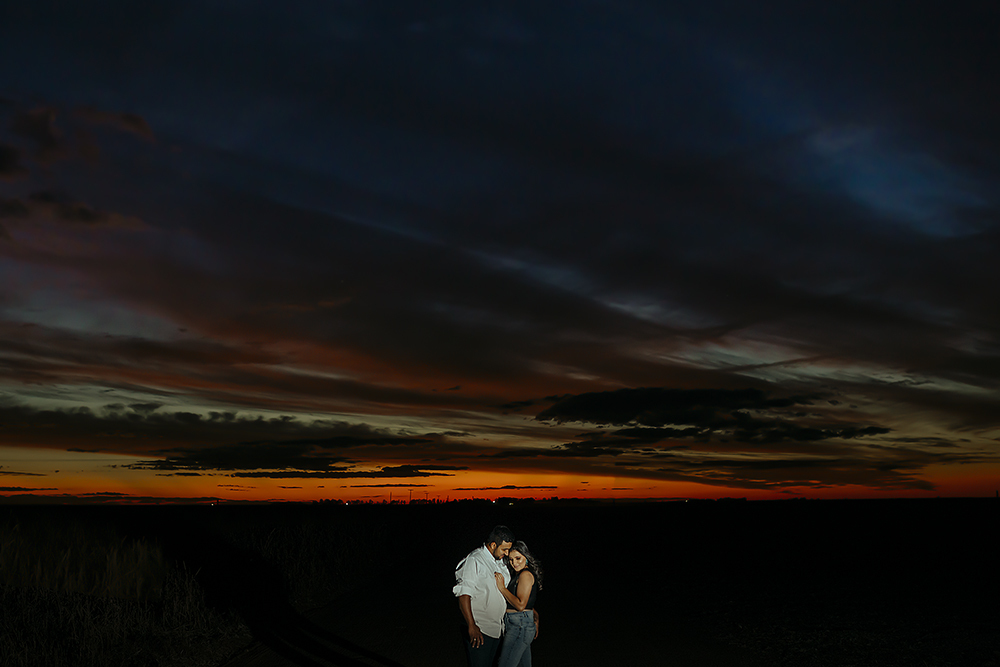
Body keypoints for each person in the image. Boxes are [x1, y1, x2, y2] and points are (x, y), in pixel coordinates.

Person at [453, 525, 514, 667]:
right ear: (493, 544)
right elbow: (463, 594)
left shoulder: (499, 561)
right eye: (504, 549)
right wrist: (471, 625)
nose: (507, 553)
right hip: (481, 629)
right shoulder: (475, 560)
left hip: (498, 629)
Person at [494, 540, 542, 667]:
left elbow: (521, 605)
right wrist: (535, 617)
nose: (514, 563)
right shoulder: (519, 574)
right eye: (511, 559)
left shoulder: (525, 575)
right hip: (520, 624)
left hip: (519, 626)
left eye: (518, 558)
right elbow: (528, 604)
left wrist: (502, 589)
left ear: (526, 557)